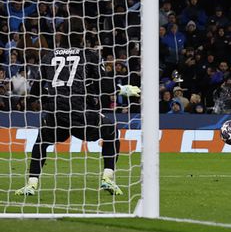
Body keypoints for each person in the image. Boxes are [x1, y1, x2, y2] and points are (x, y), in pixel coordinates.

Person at [15, 18, 140, 196]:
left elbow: (35, 92)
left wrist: (29, 102)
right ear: (82, 35)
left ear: (62, 34)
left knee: (41, 141)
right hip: (80, 113)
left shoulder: (49, 56)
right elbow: (104, 88)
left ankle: (31, 184)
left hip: (56, 113)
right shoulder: (88, 55)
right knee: (111, 130)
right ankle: (107, 178)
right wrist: (122, 89)